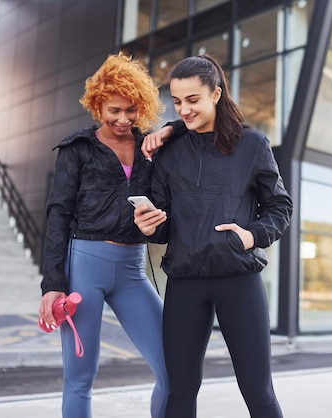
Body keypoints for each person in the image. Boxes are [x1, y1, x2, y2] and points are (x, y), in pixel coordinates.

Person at [133, 54, 293, 418]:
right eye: (176, 102)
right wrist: (149, 225)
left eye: (193, 100)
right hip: (186, 281)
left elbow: (280, 208)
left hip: (239, 278)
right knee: (179, 390)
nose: (184, 110)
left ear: (216, 94)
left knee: (257, 389)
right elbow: (164, 221)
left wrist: (251, 237)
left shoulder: (253, 145)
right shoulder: (169, 151)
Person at [38, 52, 179, 418]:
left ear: (142, 108)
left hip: (132, 269)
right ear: (98, 103)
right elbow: (58, 215)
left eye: (131, 111)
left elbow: (164, 223)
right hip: (84, 267)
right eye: (113, 110)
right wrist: (52, 283)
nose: (122, 119)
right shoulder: (77, 149)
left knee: (174, 367)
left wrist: (171, 129)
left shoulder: (152, 149)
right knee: (81, 378)